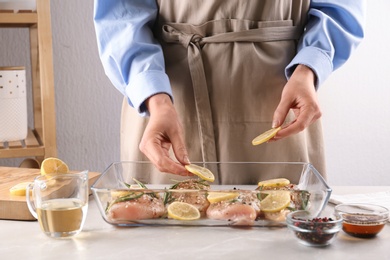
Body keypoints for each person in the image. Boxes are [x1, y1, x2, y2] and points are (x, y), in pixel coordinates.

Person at [93, 0, 365, 184]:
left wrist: (308, 69)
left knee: (283, 238)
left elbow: (340, 6)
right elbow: (122, 14)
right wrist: (155, 98)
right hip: (166, 106)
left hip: (279, 97)